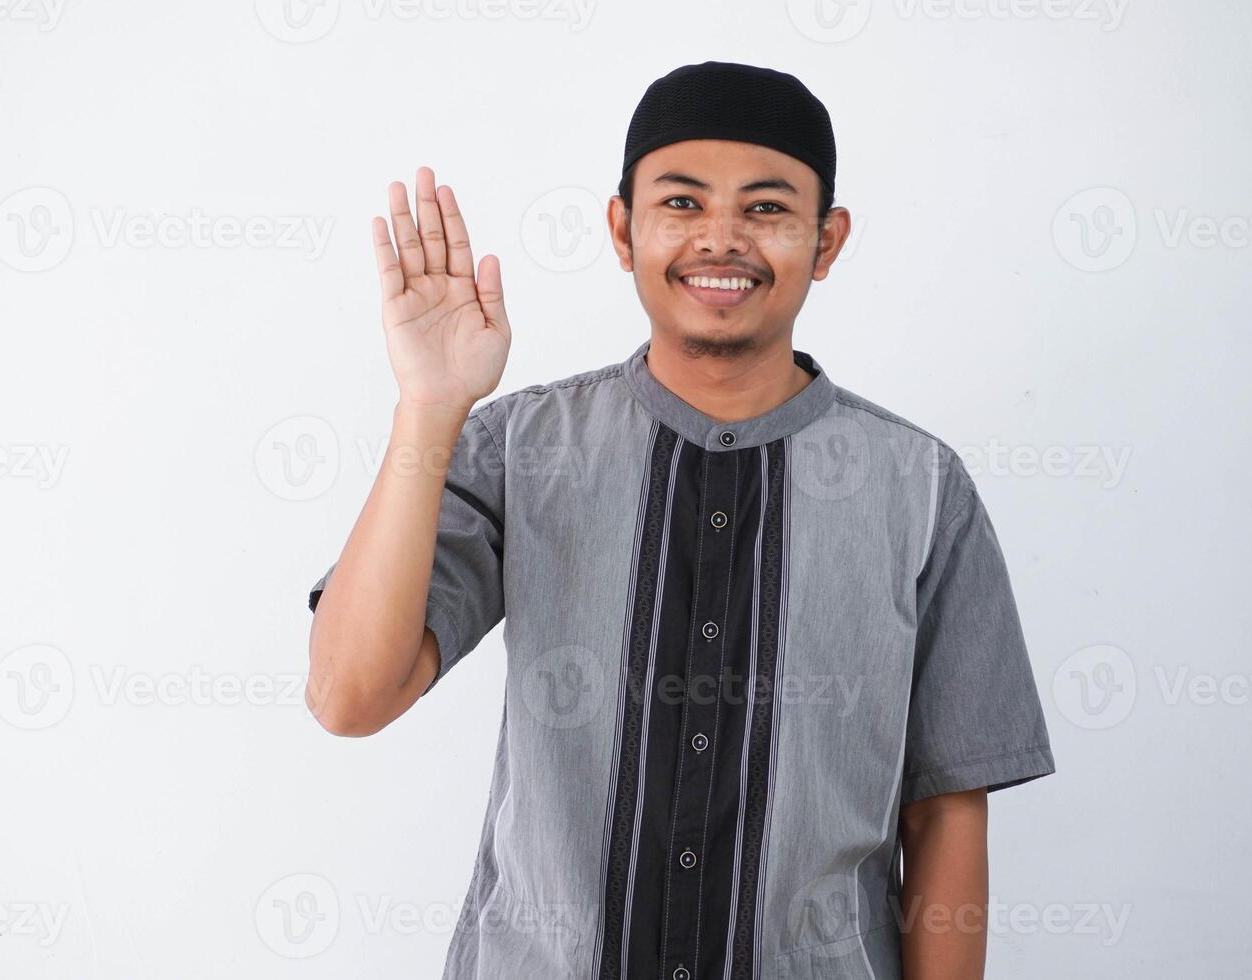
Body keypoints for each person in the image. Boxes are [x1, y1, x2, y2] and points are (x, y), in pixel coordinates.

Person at [305, 60, 1056, 980]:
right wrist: (429, 407)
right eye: (684, 204)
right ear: (624, 229)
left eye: (769, 209)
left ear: (827, 242)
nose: (723, 240)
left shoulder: (922, 487)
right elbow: (349, 697)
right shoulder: (518, 447)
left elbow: (944, 812)